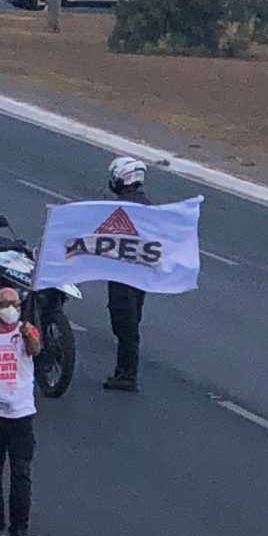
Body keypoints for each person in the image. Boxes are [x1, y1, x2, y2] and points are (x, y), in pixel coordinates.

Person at [0, 283, 40, 536]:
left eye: (14, 304)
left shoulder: (26, 331)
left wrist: (27, 334)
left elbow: (36, 350)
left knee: (21, 472)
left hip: (21, 415)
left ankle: (19, 529)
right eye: (4, 304)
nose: (10, 309)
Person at [103, 155, 148, 392]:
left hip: (123, 275)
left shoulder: (120, 210)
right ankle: (125, 371)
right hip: (140, 275)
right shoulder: (148, 206)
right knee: (132, 321)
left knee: (125, 324)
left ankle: (127, 374)